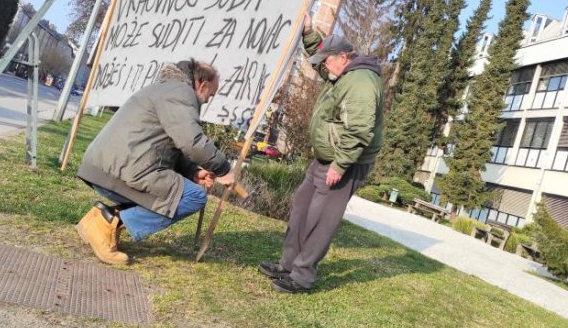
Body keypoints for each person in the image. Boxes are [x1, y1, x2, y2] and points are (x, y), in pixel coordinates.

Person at [258, 15, 385, 293]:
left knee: (320, 219)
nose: (323, 68)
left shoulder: (361, 81)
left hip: (345, 163)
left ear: (342, 56)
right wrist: (307, 32)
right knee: (302, 207)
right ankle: (288, 263)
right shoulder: (341, 73)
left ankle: (302, 277)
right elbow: (320, 57)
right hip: (325, 159)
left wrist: (340, 166)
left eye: (327, 62)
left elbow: (360, 129)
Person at [75, 59, 235, 265]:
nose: (207, 101)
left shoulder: (165, 89)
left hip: (109, 166)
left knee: (171, 192)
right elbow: (192, 142)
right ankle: (106, 223)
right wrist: (223, 168)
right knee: (194, 196)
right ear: (203, 85)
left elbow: (166, 142)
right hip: (121, 168)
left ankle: (99, 219)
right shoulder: (181, 94)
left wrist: (192, 171)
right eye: (210, 95)